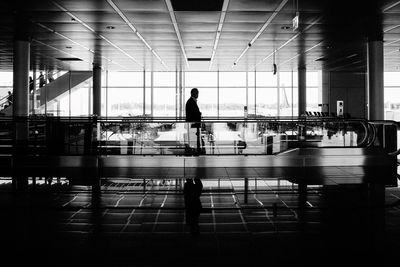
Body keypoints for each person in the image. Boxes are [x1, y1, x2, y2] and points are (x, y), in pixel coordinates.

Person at [185, 88, 202, 154]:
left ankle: (195, 150)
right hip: (192, 124)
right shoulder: (191, 102)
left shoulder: (191, 101)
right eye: (196, 93)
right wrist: (199, 114)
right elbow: (194, 114)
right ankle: (195, 151)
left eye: (197, 93)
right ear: (192, 93)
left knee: (194, 139)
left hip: (193, 124)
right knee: (193, 139)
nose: (197, 94)